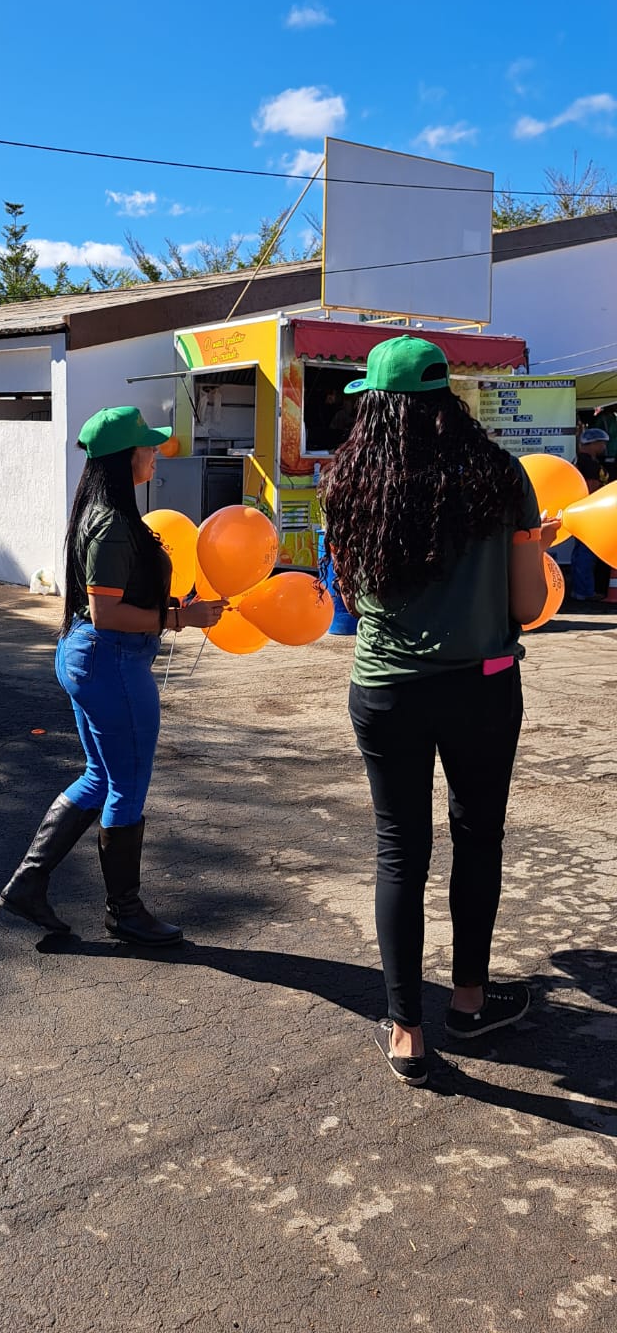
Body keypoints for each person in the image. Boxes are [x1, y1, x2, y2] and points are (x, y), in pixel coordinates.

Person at [322, 336, 556, 1087]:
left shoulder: (350, 482)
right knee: (477, 837)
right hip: (482, 686)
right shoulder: (500, 476)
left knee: (401, 851)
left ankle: (406, 1034)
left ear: (377, 405)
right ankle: (469, 1002)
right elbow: (526, 604)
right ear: (446, 396)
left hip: (386, 689)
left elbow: (352, 602)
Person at [0, 406, 224, 946]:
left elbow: (116, 601)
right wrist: (179, 618)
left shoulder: (105, 513)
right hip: (111, 659)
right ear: (127, 458)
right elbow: (107, 613)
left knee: (100, 776)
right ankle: (124, 912)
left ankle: (28, 884)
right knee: (126, 784)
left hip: (96, 657)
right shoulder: (114, 524)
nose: (154, 453)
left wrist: (170, 604)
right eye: (147, 446)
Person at [570, 428, 611, 600]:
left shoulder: (587, 461)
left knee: (582, 552)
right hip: (589, 513)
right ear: (592, 444)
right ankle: (584, 592)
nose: (603, 446)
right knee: (586, 553)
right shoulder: (587, 463)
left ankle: (582, 590)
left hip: (584, 512)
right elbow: (591, 489)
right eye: (601, 442)